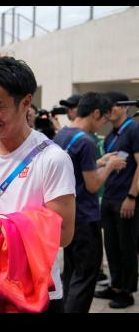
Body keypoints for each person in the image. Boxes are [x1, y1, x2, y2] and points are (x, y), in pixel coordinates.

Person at [0, 56, 76, 313]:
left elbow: (64, 234)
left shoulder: (53, 159)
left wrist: (3, 231)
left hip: (33, 288)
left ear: (26, 103)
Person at [53, 92, 127, 313]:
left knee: (71, 272)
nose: (103, 124)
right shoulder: (86, 141)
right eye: (104, 119)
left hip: (67, 217)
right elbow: (93, 184)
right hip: (85, 217)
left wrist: (99, 162)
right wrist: (110, 166)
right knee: (86, 276)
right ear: (95, 113)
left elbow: (74, 168)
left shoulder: (63, 134)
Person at [94, 91, 139, 309]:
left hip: (125, 198)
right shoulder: (111, 135)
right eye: (107, 105)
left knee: (126, 245)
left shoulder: (134, 129)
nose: (110, 108)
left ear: (124, 107)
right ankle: (116, 285)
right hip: (110, 196)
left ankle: (127, 291)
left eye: (114, 104)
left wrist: (132, 196)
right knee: (111, 245)